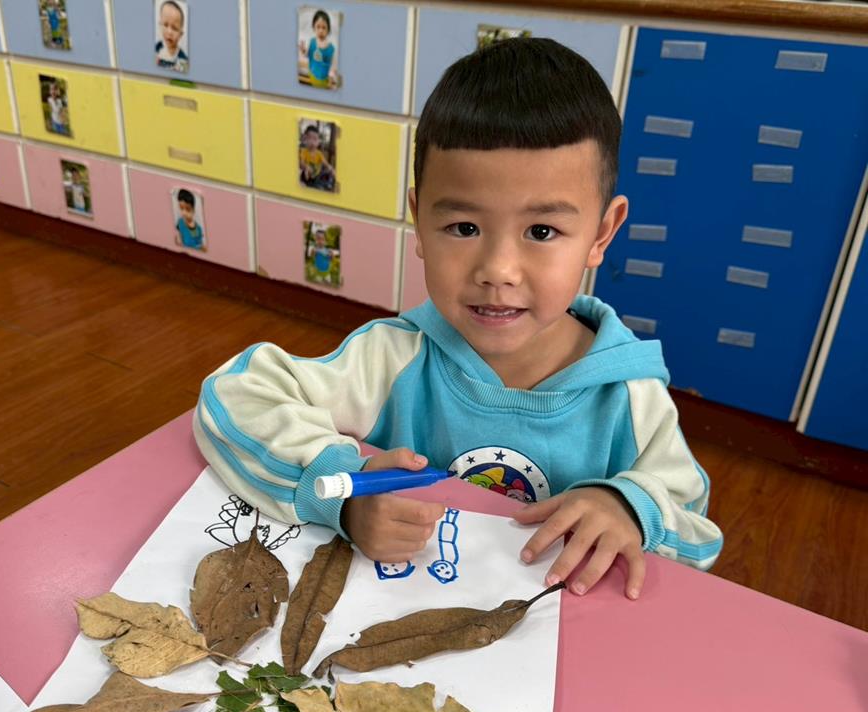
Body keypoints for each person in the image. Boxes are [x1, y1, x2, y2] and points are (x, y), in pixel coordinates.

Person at [195, 37, 723, 600]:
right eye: (464, 228)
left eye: (542, 231)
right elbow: (233, 397)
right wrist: (342, 493)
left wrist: (630, 507)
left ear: (601, 233)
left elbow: (696, 533)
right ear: (420, 221)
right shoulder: (393, 359)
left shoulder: (630, 397)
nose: (497, 270)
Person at [299, 9, 337, 88]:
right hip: (312, 75)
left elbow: (333, 65)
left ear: (328, 30)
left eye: (324, 28)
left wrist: (331, 75)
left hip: (324, 80)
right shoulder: (312, 42)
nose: (321, 31)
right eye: (318, 27)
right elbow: (307, 55)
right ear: (314, 28)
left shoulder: (331, 48)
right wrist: (303, 51)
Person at [299, 124, 335, 191]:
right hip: (305, 176)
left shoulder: (319, 154)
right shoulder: (304, 151)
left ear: (318, 142)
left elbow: (326, 164)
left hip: (316, 177)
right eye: (309, 138)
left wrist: (331, 169)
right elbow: (301, 163)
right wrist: (306, 166)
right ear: (305, 140)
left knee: (320, 186)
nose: (312, 142)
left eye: (315, 139)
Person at [155, 0, 188, 73]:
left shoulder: (183, 60)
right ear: (160, 25)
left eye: (175, 28)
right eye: (165, 25)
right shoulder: (156, 48)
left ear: (180, 34)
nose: (169, 32)